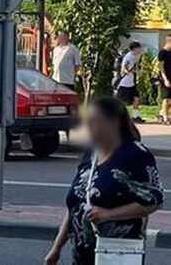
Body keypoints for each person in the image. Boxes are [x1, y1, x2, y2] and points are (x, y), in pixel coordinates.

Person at [44, 97, 163, 265]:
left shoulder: (135, 155)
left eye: (94, 120)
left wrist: (108, 214)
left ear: (112, 123)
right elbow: (75, 205)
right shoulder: (91, 154)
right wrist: (56, 247)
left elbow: (154, 200)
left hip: (116, 253)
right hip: (82, 255)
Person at [116, 41, 145, 123]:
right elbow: (124, 68)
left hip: (132, 82)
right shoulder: (128, 57)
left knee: (136, 98)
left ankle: (135, 116)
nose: (140, 49)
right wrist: (128, 72)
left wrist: (138, 71)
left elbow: (136, 65)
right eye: (139, 48)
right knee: (121, 102)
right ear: (134, 49)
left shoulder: (137, 55)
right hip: (124, 83)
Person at [158, 34, 171, 124]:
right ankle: (165, 117)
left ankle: (161, 113)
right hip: (165, 77)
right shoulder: (162, 52)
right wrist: (165, 79)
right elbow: (161, 67)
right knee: (166, 98)